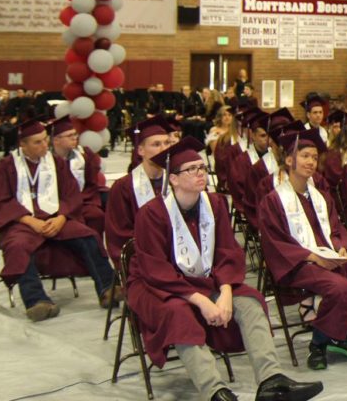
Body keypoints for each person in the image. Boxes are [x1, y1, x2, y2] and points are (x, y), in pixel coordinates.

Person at [131, 137, 324, 401]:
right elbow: (155, 270)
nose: (201, 173)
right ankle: (215, 391)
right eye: (192, 169)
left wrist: (225, 292)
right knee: (179, 315)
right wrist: (201, 301)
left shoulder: (215, 204)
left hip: (208, 280)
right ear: (173, 179)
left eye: (202, 167)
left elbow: (228, 252)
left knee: (251, 303)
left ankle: (271, 382)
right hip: (159, 287)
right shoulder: (152, 214)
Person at [257, 129, 347, 370]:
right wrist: (313, 256)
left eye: (314, 157)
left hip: (331, 257)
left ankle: (338, 334)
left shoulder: (322, 197)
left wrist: (342, 249)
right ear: (289, 160)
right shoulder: (272, 201)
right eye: (305, 156)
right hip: (299, 264)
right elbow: (275, 242)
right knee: (343, 288)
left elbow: (337, 230)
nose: (311, 162)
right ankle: (318, 344)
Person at [0, 118, 117, 320]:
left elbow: (71, 195)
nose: (44, 145)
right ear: (23, 144)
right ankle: (37, 300)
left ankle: (108, 288)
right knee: (17, 246)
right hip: (21, 223)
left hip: (55, 218)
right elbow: (1, 202)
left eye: (45, 140)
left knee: (87, 235)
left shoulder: (56, 163)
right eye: (37, 142)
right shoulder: (5, 167)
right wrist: (31, 221)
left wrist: (62, 218)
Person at [104, 115, 180, 264]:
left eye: (167, 143)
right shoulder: (123, 187)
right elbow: (118, 233)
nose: (164, 149)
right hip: (142, 258)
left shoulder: (176, 181)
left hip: (181, 252)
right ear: (140, 150)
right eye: (156, 144)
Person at [47, 115, 106, 236]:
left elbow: (91, 184)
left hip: (82, 201)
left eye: (75, 134)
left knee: (96, 215)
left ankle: (94, 252)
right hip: (55, 205)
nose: (75, 138)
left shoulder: (84, 155)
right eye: (70, 136)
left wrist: (79, 200)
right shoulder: (45, 161)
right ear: (56, 140)